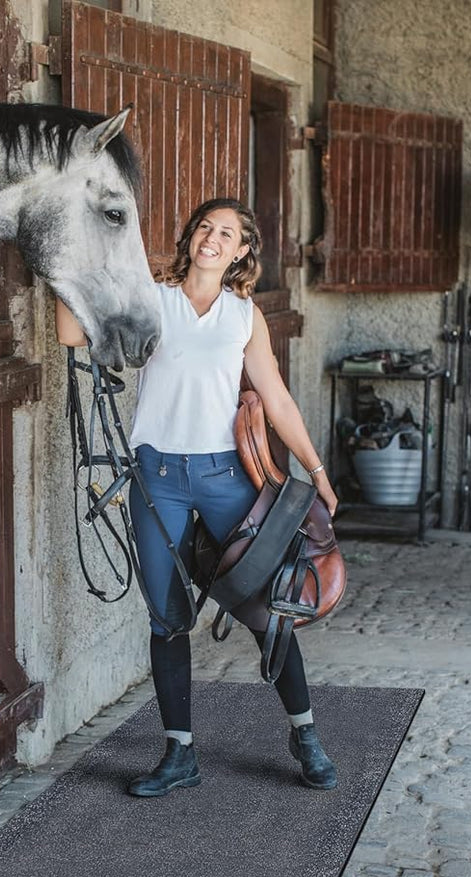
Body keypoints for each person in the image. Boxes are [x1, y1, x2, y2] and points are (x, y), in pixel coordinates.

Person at [56, 197, 340, 798]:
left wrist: (316, 470)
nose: (213, 238)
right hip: (157, 480)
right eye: (205, 228)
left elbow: (279, 400)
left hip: (224, 480)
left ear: (241, 251)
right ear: (190, 239)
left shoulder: (244, 317)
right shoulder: (152, 301)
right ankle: (179, 752)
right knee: (167, 619)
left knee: (269, 612)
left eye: (228, 233)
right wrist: (69, 261)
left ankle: (305, 734)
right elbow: (69, 332)